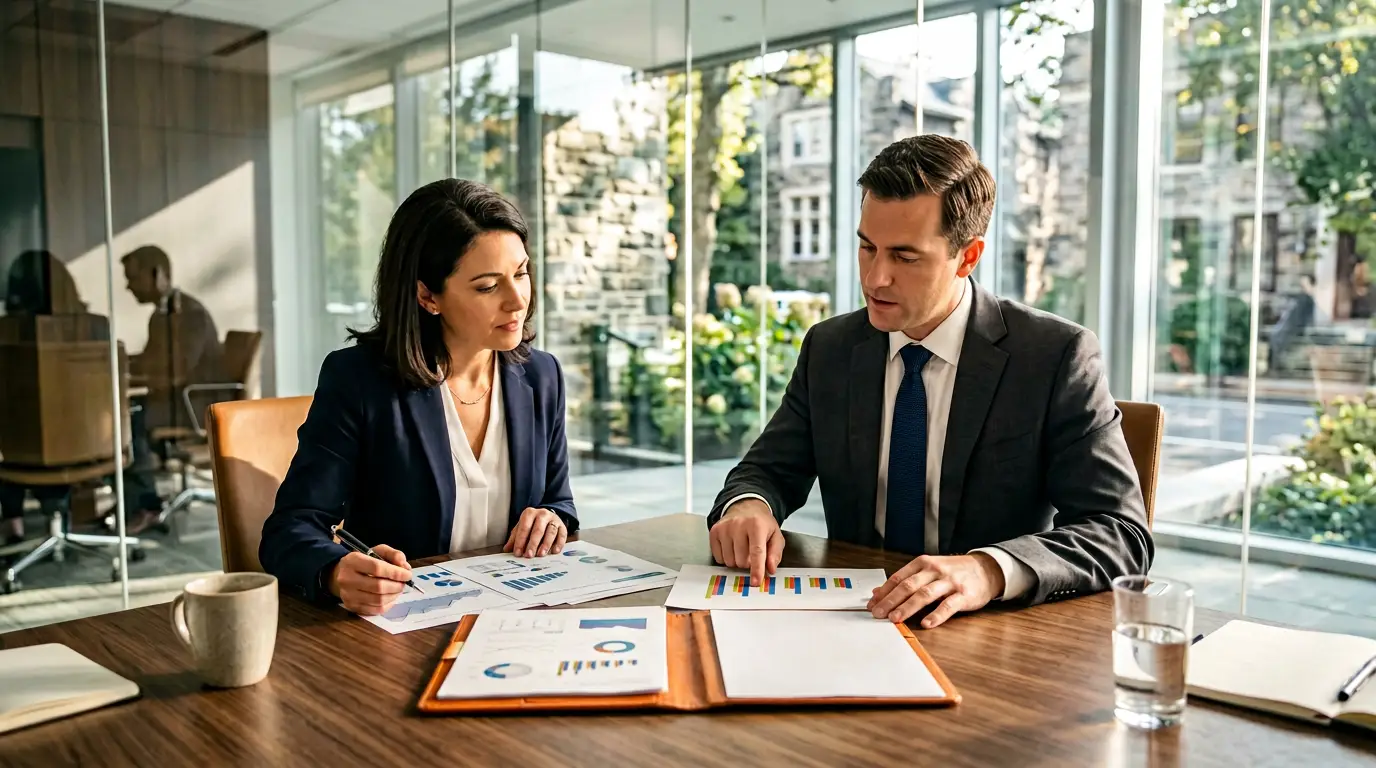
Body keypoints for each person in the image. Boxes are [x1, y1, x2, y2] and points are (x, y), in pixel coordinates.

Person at [707, 135, 1152, 629]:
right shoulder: (831, 349)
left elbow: (1119, 532)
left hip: (986, 634)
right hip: (854, 620)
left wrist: (988, 570)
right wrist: (750, 505)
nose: (875, 278)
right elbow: (768, 469)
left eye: (905, 256)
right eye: (867, 247)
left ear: (967, 256)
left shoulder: (1054, 357)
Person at [259, 178, 577, 615]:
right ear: (427, 295)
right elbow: (290, 530)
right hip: (405, 627)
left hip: (517, 619)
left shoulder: (541, 375)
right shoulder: (359, 381)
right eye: (487, 286)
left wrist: (551, 518)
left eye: (521, 273)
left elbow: (558, 501)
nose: (517, 300)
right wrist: (336, 572)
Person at [121, 245, 225, 434]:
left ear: (158, 275)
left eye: (134, 278)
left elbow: (178, 372)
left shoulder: (191, 314)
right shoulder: (160, 315)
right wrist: (122, 365)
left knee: (129, 414)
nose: (128, 287)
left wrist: (132, 378)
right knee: (126, 409)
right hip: (175, 399)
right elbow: (152, 360)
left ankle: (144, 463)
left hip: (193, 404)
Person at [1267, 273, 1315, 373]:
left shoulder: (1306, 300)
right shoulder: (1300, 298)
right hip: (1289, 329)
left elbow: (1302, 319)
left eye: (1305, 283)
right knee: (1275, 338)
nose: (1302, 286)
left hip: (1292, 330)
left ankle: (1275, 367)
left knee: (1276, 339)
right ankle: (1275, 367)